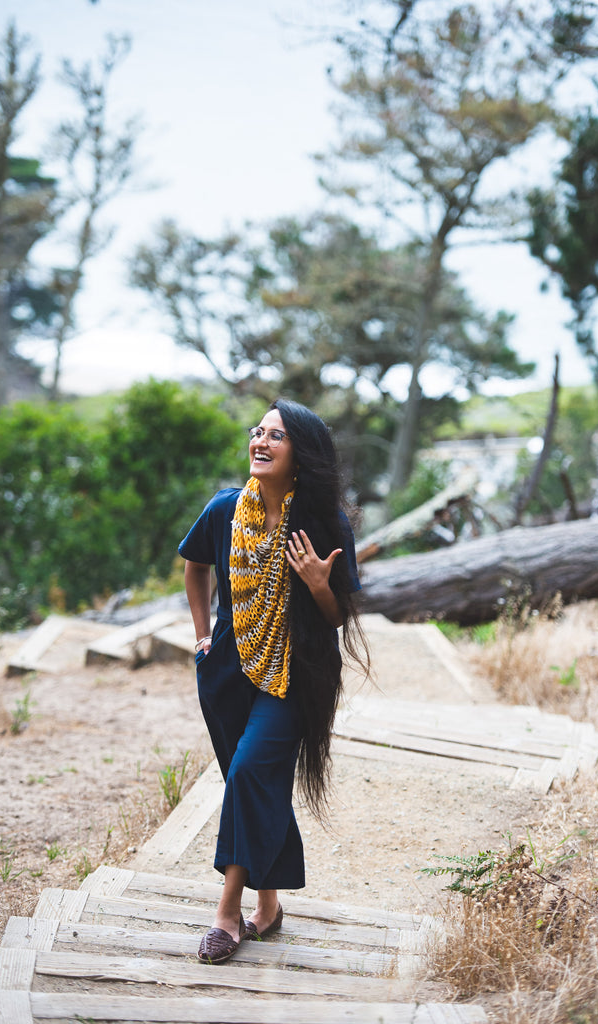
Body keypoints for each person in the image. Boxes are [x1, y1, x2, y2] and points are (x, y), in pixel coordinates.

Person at [178, 397, 368, 964]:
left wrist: (316, 584)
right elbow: (194, 566)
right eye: (258, 432)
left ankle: (227, 913)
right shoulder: (225, 510)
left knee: (246, 772)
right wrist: (201, 634)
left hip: (297, 675)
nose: (261, 442)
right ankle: (271, 908)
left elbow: (339, 617)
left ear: (301, 455)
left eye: (276, 436)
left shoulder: (324, 524)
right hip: (227, 673)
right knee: (255, 782)